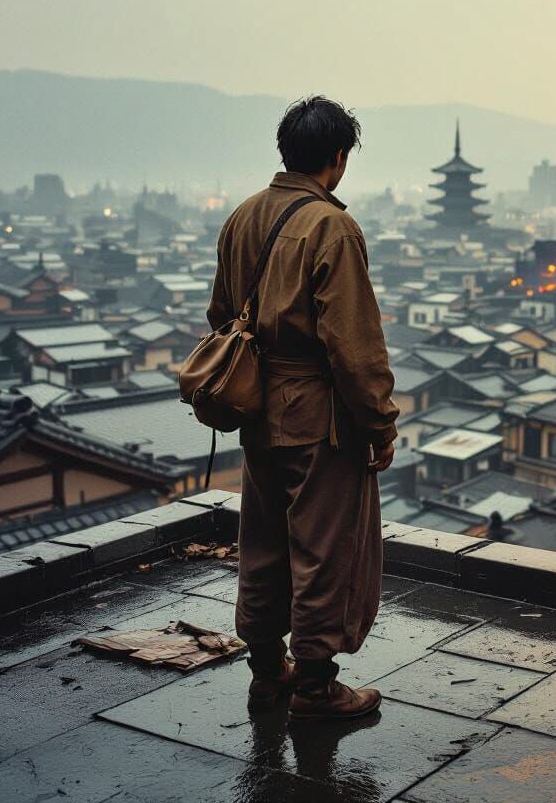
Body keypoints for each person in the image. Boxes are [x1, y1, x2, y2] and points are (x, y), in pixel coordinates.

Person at [207, 95, 399, 721]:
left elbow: (219, 317)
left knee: (262, 541)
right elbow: (354, 345)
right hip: (319, 419)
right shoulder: (330, 227)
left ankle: (269, 674)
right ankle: (316, 687)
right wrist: (379, 423)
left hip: (258, 409)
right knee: (324, 550)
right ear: (338, 158)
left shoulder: (241, 218)